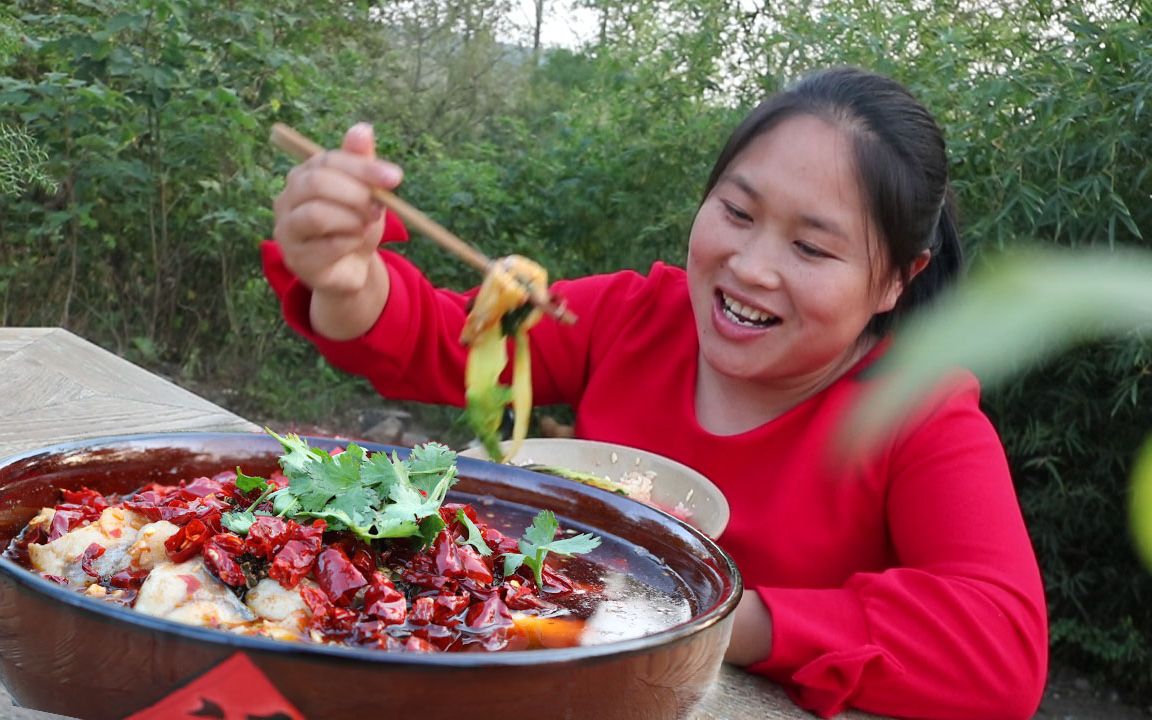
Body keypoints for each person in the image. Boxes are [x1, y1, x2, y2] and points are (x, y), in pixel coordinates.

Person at [264, 66, 1048, 719]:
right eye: (737, 212)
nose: (750, 266)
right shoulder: (635, 316)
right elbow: (442, 343)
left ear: (897, 280)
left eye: (811, 247)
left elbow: (1001, 647)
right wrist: (349, 279)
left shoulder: (918, 411)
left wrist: (710, 618)